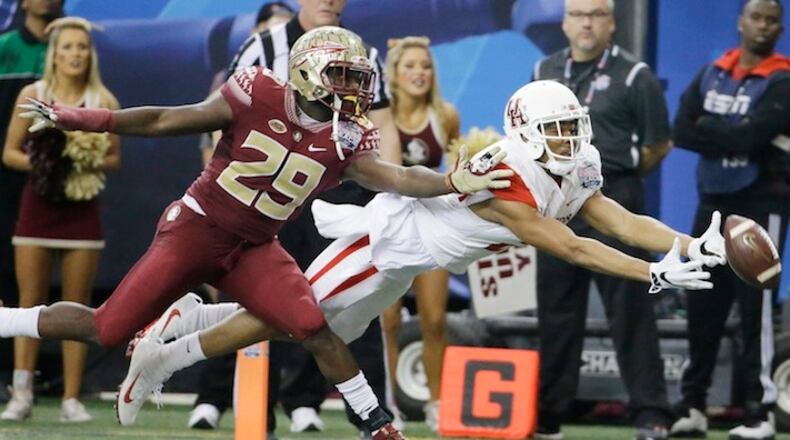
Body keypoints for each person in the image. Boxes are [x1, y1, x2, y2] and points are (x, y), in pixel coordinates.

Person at [112, 82, 725, 440]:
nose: (572, 140)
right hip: (392, 243)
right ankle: (171, 348)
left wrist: (686, 245)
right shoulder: (511, 173)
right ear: (527, 131)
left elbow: (616, 219)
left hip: (415, 262)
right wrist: (651, 273)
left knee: (301, 325)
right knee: (297, 321)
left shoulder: (573, 165)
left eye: (573, 126)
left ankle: (187, 323)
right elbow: (569, 245)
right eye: (559, 130)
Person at [0, 26, 511, 439]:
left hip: (254, 246)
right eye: (340, 74)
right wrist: (87, 120)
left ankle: (375, 424)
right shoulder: (257, 91)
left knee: (312, 324)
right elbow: (165, 119)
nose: (352, 87)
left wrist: (448, 181)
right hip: (196, 229)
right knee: (105, 329)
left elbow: (397, 176)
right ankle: (6, 321)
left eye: (357, 77)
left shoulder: (347, 137)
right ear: (308, 70)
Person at [225, 0, 402, 435]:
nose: (330, 1)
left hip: (341, 189)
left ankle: (360, 414)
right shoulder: (261, 46)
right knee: (267, 296)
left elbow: (381, 122)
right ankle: (256, 412)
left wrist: (392, 193)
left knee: (357, 296)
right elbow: (225, 117)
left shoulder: (362, 51)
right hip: (272, 188)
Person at [531, 0, 674, 438]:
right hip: (556, 201)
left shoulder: (636, 76)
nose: (586, 22)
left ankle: (650, 413)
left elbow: (657, 145)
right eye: (578, 14)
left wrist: (615, 180)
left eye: (596, 13)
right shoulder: (542, 72)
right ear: (565, 22)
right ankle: (549, 416)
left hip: (614, 193)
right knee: (556, 313)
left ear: (612, 22)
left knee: (631, 308)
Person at [669, 1, 789, 439]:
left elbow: (752, 136)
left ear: (780, 28)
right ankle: (693, 405)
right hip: (712, 204)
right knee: (702, 304)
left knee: (755, 308)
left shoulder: (783, 80)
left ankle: (759, 413)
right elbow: (681, 129)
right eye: (756, 17)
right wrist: (734, 131)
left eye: (771, 20)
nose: (762, 26)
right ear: (740, 22)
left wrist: (715, 128)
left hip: (763, 204)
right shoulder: (712, 73)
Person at [1, 16, 120, 423]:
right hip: (37, 211)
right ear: (54, 53)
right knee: (28, 305)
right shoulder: (33, 94)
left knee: (77, 307)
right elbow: (9, 152)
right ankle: (21, 394)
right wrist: (46, 167)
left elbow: (114, 157)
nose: (75, 54)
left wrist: (84, 165)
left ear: (91, 54)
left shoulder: (102, 99)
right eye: (67, 47)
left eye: (82, 47)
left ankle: (71, 398)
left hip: (82, 216)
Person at [188, 1, 295, 432]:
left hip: (283, 208)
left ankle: (267, 408)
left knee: (278, 306)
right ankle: (211, 398)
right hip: (234, 204)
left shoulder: (311, 93)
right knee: (227, 302)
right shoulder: (239, 83)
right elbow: (212, 142)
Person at [379, 36, 460, 432]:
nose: (419, 73)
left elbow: (456, 168)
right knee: (388, 319)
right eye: (409, 65)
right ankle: (388, 403)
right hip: (390, 224)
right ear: (393, 74)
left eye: (425, 66)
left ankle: (437, 402)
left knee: (434, 320)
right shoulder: (380, 116)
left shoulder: (445, 115)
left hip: (433, 224)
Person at [0, 0, 63, 392]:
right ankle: (7, 374)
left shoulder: (70, 47)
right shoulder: (5, 46)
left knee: (52, 283)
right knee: (5, 273)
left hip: (62, 186)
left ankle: (53, 381)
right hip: (7, 179)